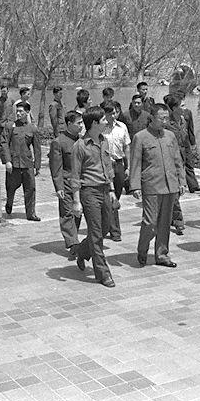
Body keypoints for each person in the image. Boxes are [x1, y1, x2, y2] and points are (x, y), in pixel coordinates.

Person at [131, 103, 187, 267]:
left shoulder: (170, 136)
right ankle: (142, 249)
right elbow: (135, 163)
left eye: (166, 118)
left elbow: (178, 160)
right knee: (150, 222)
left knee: (164, 222)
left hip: (170, 185)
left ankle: (162, 254)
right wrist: (135, 186)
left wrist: (181, 181)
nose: (165, 121)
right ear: (152, 118)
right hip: (152, 186)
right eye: (161, 118)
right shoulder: (140, 137)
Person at [71, 106, 118, 288]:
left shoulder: (104, 141)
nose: (107, 122)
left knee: (105, 228)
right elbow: (75, 176)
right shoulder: (80, 146)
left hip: (105, 190)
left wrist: (112, 190)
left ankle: (82, 251)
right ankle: (103, 274)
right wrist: (76, 201)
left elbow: (108, 167)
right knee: (96, 233)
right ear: (95, 123)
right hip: (89, 192)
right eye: (104, 120)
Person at [49, 111, 84, 256]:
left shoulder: (81, 141)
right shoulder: (59, 142)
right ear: (69, 124)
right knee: (67, 214)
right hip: (67, 184)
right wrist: (59, 187)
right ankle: (73, 244)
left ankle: (73, 239)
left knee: (77, 213)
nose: (81, 126)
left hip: (81, 184)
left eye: (82, 122)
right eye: (79, 123)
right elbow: (56, 167)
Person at [0, 101, 42, 221]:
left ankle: (31, 213)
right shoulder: (9, 126)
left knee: (30, 189)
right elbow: (4, 144)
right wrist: (7, 161)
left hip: (27, 163)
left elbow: (37, 148)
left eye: (21, 111)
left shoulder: (32, 128)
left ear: (27, 112)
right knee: (11, 187)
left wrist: (37, 165)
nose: (18, 113)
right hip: (13, 164)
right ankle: (9, 203)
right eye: (17, 111)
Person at [101, 101, 130, 242]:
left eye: (115, 112)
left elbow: (127, 147)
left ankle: (106, 224)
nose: (113, 116)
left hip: (118, 164)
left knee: (116, 196)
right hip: (104, 166)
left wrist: (128, 166)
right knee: (109, 197)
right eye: (110, 113)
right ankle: (115, 231)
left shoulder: (122, 127)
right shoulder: (100, 128)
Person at [162, 94, 188, 235]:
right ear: (173, 108)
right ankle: (178, 221)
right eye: (182, 106)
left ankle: (171, 217)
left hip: (181, 159)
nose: (185, 108)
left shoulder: (183, 121)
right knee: (175, 193)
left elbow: (186, 141)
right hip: (169, 161)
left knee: (176, 191)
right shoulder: (166, 124)